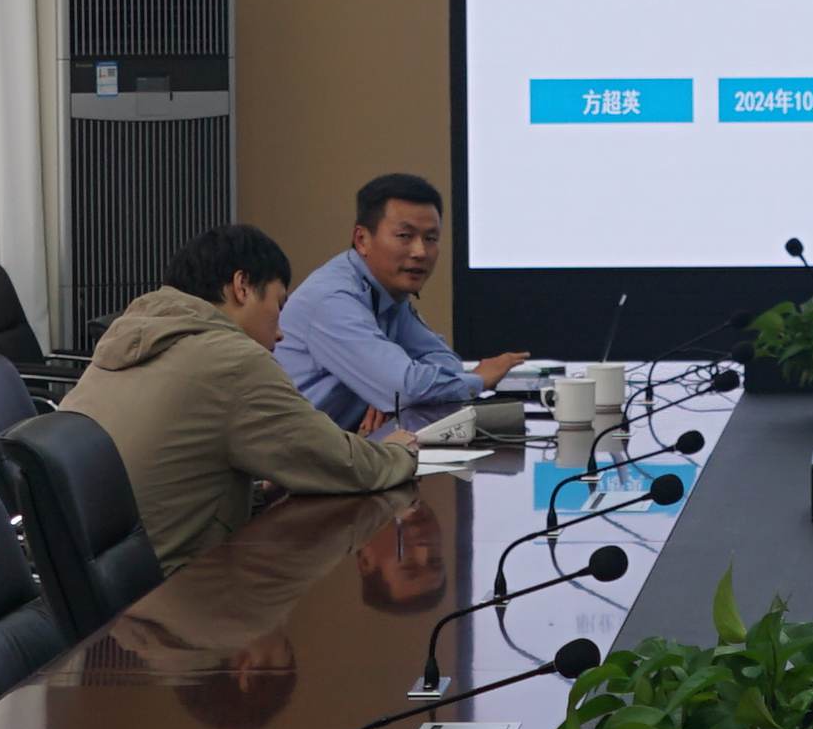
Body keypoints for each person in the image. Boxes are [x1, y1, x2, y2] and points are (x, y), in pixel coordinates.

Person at [71, 220, 426, 565]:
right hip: (179, 586)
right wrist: (398, 450)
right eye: (279, 305)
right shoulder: (231, 359)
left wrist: (255, 494)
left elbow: (172, 478)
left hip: (106, 585)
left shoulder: (128, 338)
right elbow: (342, 464)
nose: (281, 334)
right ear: (242, 286)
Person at [275, 172, 516, 431]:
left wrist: (389, 391)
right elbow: (405, 388)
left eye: (431, 238)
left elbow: (443, 360)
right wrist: (478, 380)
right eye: (404, 236)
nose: (420, 252)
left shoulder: (387, 294)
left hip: (335, 445)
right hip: (291, 453)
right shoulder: (332, 300)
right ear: (362, 240)